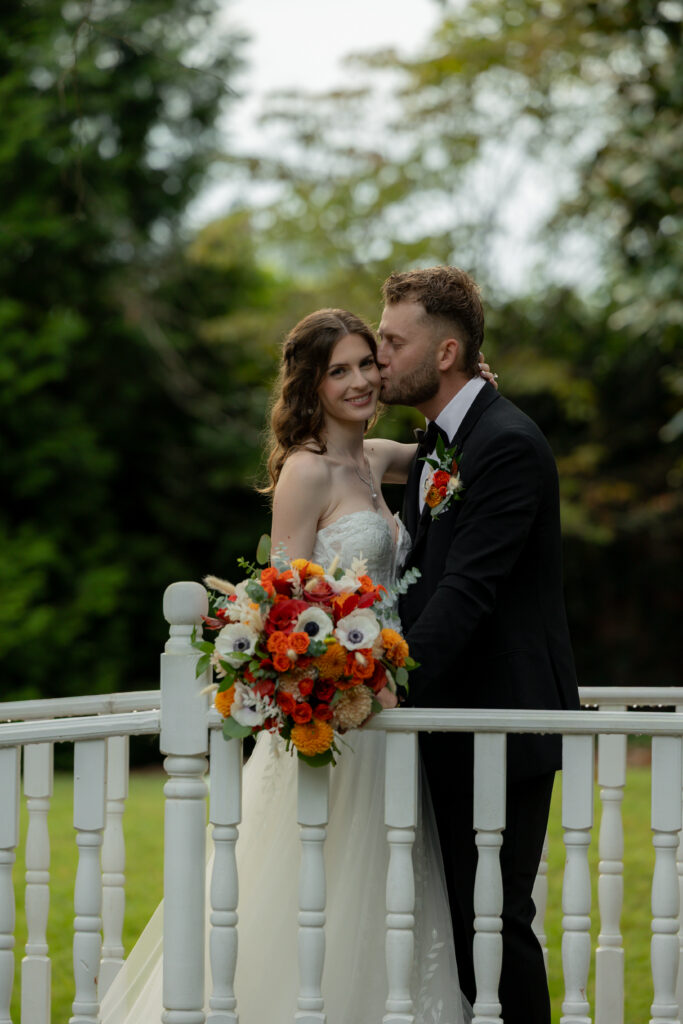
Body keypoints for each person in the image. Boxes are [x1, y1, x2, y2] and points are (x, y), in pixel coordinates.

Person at [100, 307, 492, 1024]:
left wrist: (472, 384)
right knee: (312, 885)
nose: (359, 381)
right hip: (342, 714)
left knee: (386, 887)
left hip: (392, 709)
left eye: (367, 364)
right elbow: (286, 601)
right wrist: (335, 676)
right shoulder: (304, 474)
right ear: (309, 387)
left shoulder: (373, 460)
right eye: (337, 370)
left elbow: (453, 448)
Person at [376, 266, 580, 1024]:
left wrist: (387, 681)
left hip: (502, 718)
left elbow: (468, 590)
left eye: (394, 342)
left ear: (448, 352)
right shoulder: (441, 439)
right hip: (447, 720)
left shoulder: (506, 444)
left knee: (492, 923)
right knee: (455, 922)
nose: (381, 356)